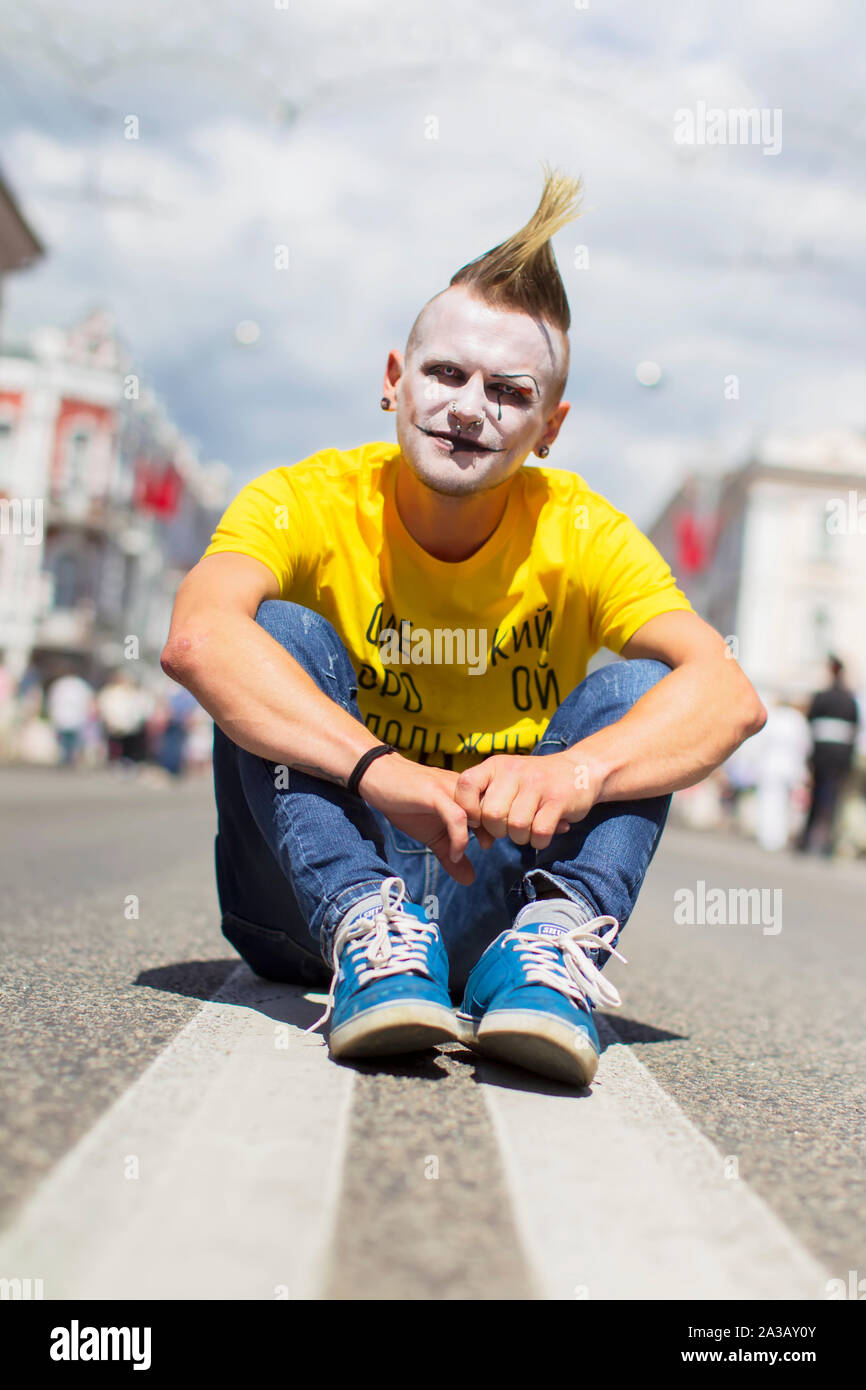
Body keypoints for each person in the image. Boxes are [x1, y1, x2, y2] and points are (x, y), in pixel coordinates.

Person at [162, 168, 766, 1087]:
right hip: (305, 892)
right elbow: (199, 636)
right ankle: (366, 930)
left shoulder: (584, 532)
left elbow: (727, 694)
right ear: (395, 383)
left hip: (496, 893)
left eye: (507, 391)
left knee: (643, 691)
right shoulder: (307, 498)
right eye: (445, 373)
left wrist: (576, 771)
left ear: (550, 426)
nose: (468, 407)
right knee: (275, 629)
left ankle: (547, 953)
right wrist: (379, 770)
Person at [796, 655, 861, 857]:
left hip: (823, 753)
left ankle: (808, 840)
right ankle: (827, 844)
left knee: (818, 796)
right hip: (840, 755)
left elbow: (811, 723)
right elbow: (853, 729)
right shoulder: (849, 699)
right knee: (833, 798)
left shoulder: (823, 696)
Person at [46, 668, 95, 767]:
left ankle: (67, 758)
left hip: (67, 717)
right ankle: (69, 758)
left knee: (65, 740)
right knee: (71, 741)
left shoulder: (60, 684)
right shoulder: (80, 685)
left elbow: (52, 700)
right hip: (72, 717)